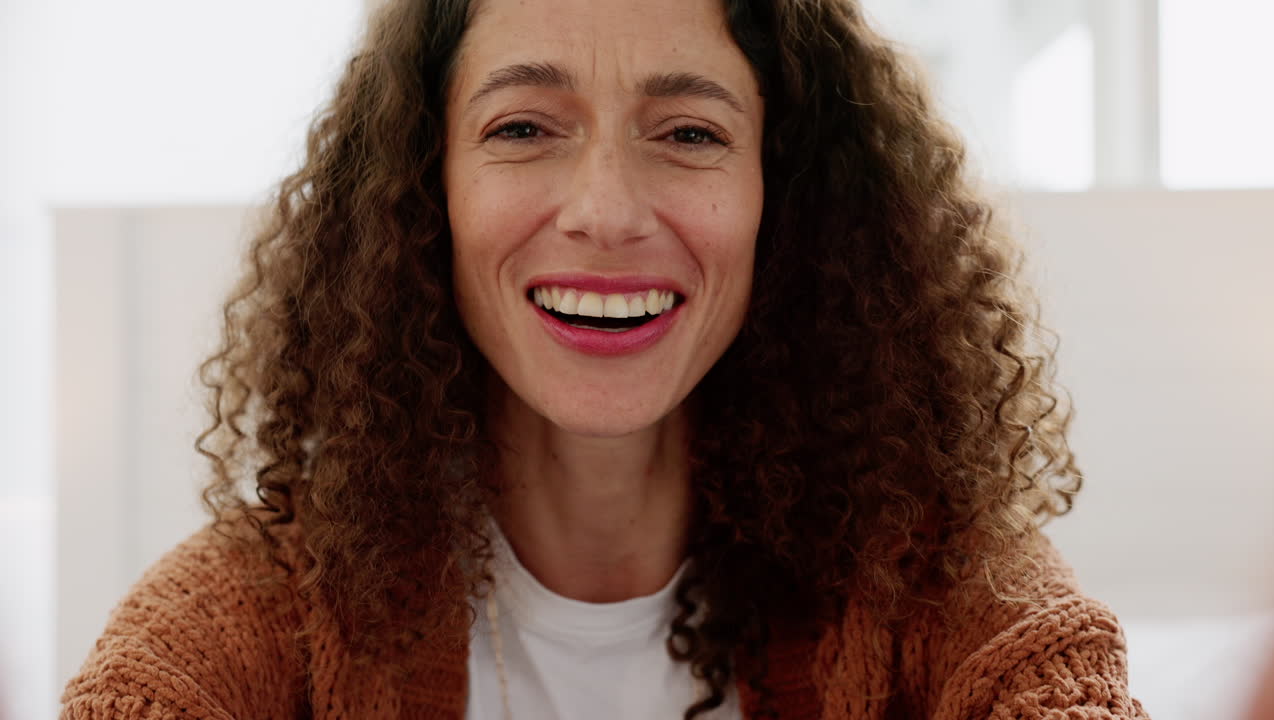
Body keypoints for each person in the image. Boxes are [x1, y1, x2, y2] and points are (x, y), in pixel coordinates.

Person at [61, 0, 1150, 718]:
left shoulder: (933, 582)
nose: (605, 212)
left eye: (687, 133)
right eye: (523, 129)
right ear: (421, 195)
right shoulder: (267, 602)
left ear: (791, 201)